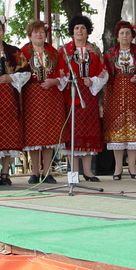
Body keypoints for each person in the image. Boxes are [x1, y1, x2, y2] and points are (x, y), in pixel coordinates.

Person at [57, 15, 108, 182]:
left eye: (83, 28)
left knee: (89, 132)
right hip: (70, 95)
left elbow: (103, 72)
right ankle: (74, 173)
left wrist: (92, 80)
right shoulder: (64, 51)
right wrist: (65, 78)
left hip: (89, 95)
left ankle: (88, 171)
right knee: (73, 133)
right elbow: (59, 72)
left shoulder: (94, 50)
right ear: (72, 31)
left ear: (87, 32)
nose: (79, 31)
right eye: (77, 28)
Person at [0, 15, 30, 185]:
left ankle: (5, 172)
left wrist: (11, 78)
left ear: (3, 32)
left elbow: (26, 71)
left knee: (9, 133)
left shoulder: (14, 51)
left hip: (10, 98)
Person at [103, 20, 136, 180]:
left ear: (132, 36)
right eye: (122, 33)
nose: (125, 36)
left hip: (135, 95)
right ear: (117, 36)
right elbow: (103, 73)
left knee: (134, 130)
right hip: (115, 95)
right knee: (117, 132)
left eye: (127, 33)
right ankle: (118, 167)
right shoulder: (110, 54)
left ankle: (132, 166)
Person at [21, 20, 66, 185]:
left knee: (49, 135)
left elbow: (63, 73)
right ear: (30, 35)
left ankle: (47, 171)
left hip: (51, 97)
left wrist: (54, 81)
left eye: (41, 32)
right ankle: (34, 172)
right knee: (35, 136)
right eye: (35, 32)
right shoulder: (23, 52)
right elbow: (18, 74)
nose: (39, 35)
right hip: (31, 97)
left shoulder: (54, 53)